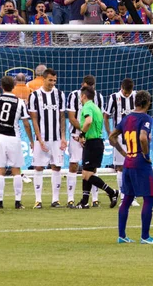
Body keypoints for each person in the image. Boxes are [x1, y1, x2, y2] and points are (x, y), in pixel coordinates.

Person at [109, 90, 153, 245]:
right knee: (149, 197)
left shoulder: (126, 119)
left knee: (127, 199)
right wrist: (146, 155)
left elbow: (112, 136)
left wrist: (123, 152)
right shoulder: (146, 118)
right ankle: (145, 237)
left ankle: (122, 236)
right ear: (148, 103)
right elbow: (142, 137)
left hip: (128, 162)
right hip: (140, 162)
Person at [0, 56, 33, 209]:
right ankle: (17, 202)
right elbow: (26, 123)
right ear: (14, 86)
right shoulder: (20, 102)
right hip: (14, 138)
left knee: (0, 170)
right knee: (16, 170)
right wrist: (32, 140)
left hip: (0, 138)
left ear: (2, 86)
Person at [74, 86, 120, 209]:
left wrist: (82, 134)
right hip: (97, 142)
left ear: (83, 96)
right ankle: (84, 202)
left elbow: (88, 121)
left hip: (92, 144)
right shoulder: (96, 108)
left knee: (86, 175)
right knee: (87, 172)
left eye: (80, 95)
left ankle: (112, 192)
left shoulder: (87, 107)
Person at [28, 68, 67, 209]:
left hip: (56, 138)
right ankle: (38, 200)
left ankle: (55, 200)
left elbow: (62, 117)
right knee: (38, 167)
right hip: (42, 138)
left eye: (54, 80)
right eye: (50, 80)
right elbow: (34, 119)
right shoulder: (35, 96)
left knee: (56, 166)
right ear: (43, 79)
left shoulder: (60, 94)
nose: (52, 83)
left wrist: (63, 137)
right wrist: (39, 139)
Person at [66, 75, 106, 208]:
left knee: (90, 169)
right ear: (83, 85)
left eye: (92, 86)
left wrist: (85, 134)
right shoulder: (73, 95)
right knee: (74, 165)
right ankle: (71, 199)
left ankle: (94, 199)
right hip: (78, 135)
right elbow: (71, 118)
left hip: (90, 137)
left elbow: (95, 119)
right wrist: (81, 133)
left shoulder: (97, 98)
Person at [104, 78, 139, 207]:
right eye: (125, 92)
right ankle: (124, 197)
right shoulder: (114, 97)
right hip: (119, 138)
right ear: (121, 87)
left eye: (128, 92)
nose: (126, 94)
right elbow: (106, 116)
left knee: (134, 166)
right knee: (120, 167)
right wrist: (110, 134)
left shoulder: (136, 96)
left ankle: (133, 196)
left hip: (134, 137)